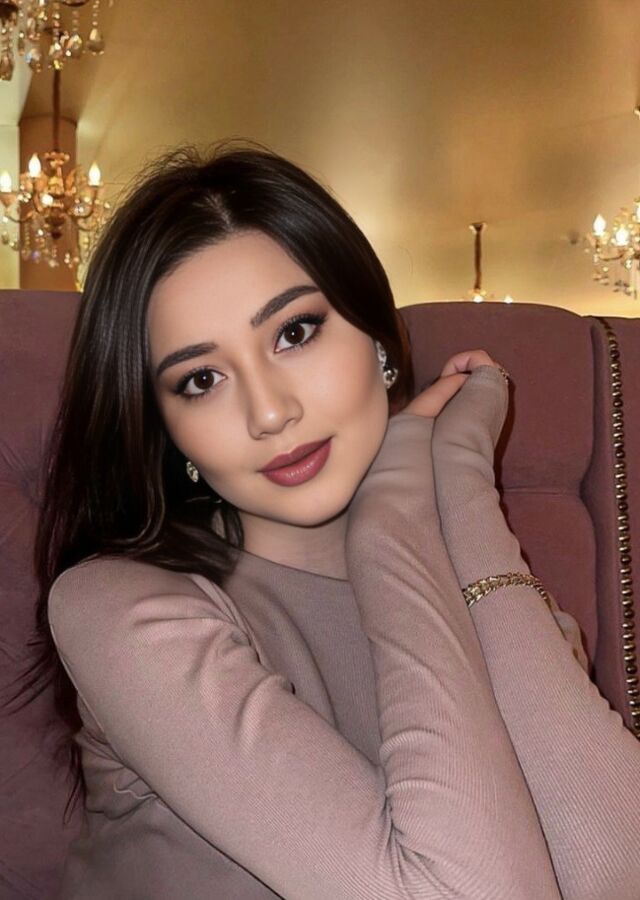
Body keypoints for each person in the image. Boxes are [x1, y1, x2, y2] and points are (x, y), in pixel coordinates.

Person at [31, 143, 639, 899]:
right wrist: (398, 509)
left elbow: (617, 868)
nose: (269, 412)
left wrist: (454, 484)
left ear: (378, 341)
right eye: (201, 379)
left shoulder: (473, 574)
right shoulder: (121, 613)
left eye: (294, 333)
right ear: (165, 429)